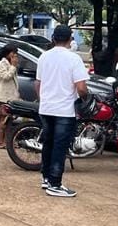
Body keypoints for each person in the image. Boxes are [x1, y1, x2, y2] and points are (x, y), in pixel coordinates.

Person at [37, 24, 89, 198]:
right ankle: (55, 184)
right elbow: (81, 87)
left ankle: (46, 178)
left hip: (46, 108)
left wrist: (44, 99)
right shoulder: (74, 59)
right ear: (70, 39)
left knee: (48, 143)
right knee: (60, 146)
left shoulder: (44, 57)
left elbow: (38, 83)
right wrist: (84, 99)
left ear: (53, 38)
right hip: (64, 110)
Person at [0, 44, 20, 148]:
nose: (15, 55)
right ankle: (0, 142)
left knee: (8, 121)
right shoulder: (2, 63)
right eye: (13, 53)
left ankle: (6, 141)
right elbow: (6, 77)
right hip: (3, 97)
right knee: (2, 120)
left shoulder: (10, 63)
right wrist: (13, 66)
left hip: (11, 97)